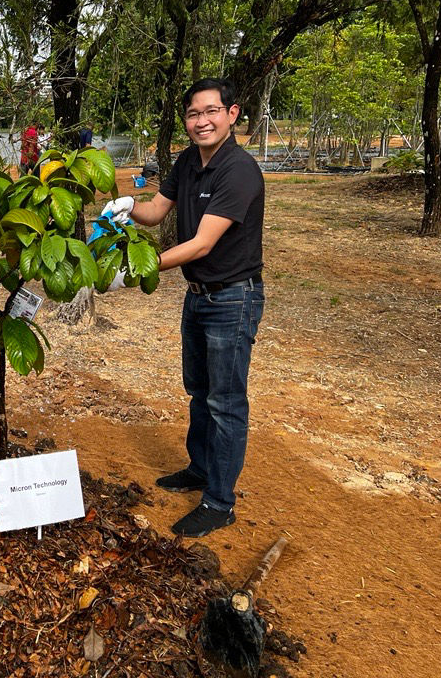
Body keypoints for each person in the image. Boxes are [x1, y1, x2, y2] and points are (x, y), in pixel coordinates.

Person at [103, 77, 265, 539]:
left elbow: (200, 244)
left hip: (233, 299)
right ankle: (200, 468)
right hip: (199, 298)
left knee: (225, 402)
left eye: (211, 111)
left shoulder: (239, 170)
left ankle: (219, 503)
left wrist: (137, 270)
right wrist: (128, 204)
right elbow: (157, 211)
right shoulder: (188, 162)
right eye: (193, 114)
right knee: (199, 391)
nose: (201, 122)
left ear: (231, 114)